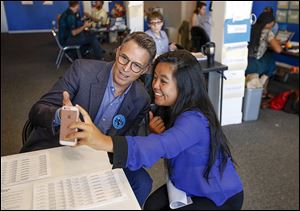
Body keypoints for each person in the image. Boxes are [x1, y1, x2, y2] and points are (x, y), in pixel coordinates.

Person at [66, 50, 244, 210]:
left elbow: (163, 145)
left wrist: (102, 141)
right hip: (186, 183)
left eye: (163, 81)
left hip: (217, 195)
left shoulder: (195, 120)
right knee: (151, 206)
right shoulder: (171, 109)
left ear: (184, 86)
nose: (155, 85)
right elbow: (169, 144)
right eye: (156, 77)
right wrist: (158, 134)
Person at [20, 32, 157, 207]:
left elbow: (129, 142)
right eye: (124, 58)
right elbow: (37, 110)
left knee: (142, 182)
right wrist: (62, 115)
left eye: (136, 65)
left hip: (103, 155)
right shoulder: (82, 70)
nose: (126, 68)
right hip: (61, 147)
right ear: (118, 51)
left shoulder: (141, 98)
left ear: (145, 69)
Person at [245, 12, 282, 98]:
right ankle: (262, 87)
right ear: (269, 23)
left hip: (245, 61)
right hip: (254, 65)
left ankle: (262, 88)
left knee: (268, 57)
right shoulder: (267, 32)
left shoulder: (251, 27)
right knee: (271, 62)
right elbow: (278, 50)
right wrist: (275, 42)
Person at [144, 11, 177, 96]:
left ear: (162, 23)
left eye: (158, 22)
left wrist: (170, 47)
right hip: (152, 66)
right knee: (149, 85)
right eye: (153, 23)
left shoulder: (163, 33)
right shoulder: (147, 35)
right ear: (148, 24)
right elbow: (147, 53)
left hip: (163, 64)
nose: (155, 26)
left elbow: (165, 49)